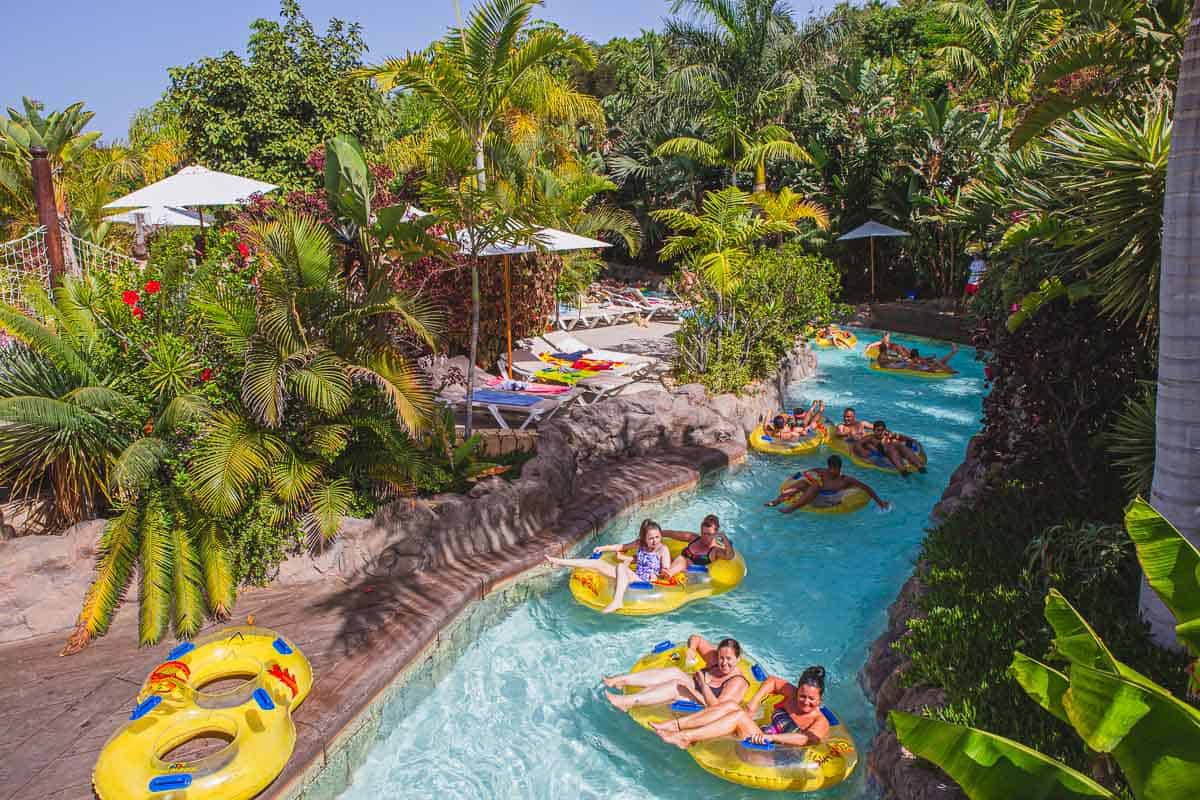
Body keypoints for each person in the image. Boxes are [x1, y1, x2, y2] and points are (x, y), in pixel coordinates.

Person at [656, 665, 831, 750]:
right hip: (759, 737)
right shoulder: (792, 695)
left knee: (738, 716)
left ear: (820, 699)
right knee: (732, 706)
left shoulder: (819, 721)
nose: (806, 702)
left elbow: (805, 740)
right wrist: (754, 702)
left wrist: (770, 739)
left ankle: (686, 736)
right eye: (802, 696)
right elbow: (771, 681)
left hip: (776, 753)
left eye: (812, 699)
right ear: (797, 690)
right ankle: (676, 726)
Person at [545, 519, 672, 613]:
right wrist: (603, 548)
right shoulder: (640, 544)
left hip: (646, 582)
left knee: (621, 567)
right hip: (634, 576)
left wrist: (657, 576)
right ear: (644, 538)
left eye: (657, 537)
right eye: (651, 538)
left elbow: (666, 571)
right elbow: (621, 547)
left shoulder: (663, 550)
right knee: (598, 563)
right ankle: (559, 561)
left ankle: (618, 601)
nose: (655, 541)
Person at [603, 635, 750, 713]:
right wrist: (691, 649)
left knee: (677, 685)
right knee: (675, 672)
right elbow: (696, 638)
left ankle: (627, 702)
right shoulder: (715, 660)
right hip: (696, 687)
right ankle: (622, 680)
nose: (724, 663)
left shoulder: (736, 681)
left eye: (729, 659)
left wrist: (703, 685)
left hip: (706, 705)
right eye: (721, 658)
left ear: (737, 659)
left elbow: (718, 708)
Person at [765, 455, 890, 512]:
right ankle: (777, 501)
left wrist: (880, 502)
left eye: (835, 469)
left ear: (839, 468)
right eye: (831, 468)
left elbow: (866, 487)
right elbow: (804, 473)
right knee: (803, 483)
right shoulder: (822, 472)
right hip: (814, 498)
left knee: (814, 486)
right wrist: (796, 477)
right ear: (828, 467)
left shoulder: (845, 480)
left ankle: (790, 509)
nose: (832, 471)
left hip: (829, 502)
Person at [661, 514, 735, 576]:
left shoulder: (715, 550)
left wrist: (724, 538)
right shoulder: (693, 538)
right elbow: (672, 534)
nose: (705, 537)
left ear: (716, 533)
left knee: (683, 559)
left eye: (709, 534)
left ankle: (668, 573)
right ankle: (665, 572)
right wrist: (656, 533)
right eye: (703, 533)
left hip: (691, 577)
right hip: (676, 568)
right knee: (663, 548)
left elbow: (730, 556)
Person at [857, 421, 926, 475]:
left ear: (885, 429)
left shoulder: (888, 434)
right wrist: (862, 453)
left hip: (896, 447)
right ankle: (903, 470)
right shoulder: (870, 438)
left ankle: (919, 467)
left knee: (901, 446)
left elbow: (901, 437)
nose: (880, 432)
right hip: (886, 450)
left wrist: (912, 440)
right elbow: (858, 444)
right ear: (874, 430)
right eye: (878, 430)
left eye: (882, 430)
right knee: (891, 448)